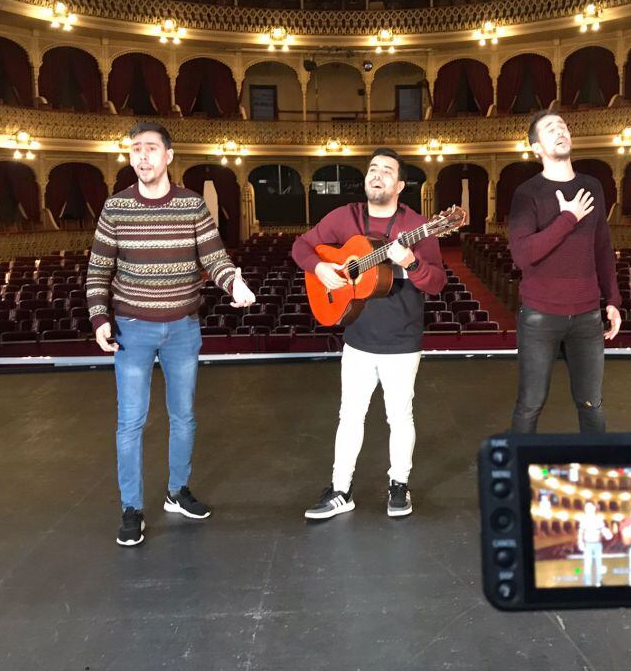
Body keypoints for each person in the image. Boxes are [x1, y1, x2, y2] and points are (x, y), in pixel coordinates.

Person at [87, 121, 256, 547]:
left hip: (183, 329)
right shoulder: (116, 208)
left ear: (168, 156)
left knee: (184, 417)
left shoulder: (192, 205)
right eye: (135, 150)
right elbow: (98, 271)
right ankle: (132, 509)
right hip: (133, 329)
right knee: (131, 422)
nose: (141, 157)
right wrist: (99, 318)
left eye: (150, 149)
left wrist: (234, 283)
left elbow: (215, 258)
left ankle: (177, 492)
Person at [292, 148, 447, 520]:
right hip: (357, 338)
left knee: (400, 417)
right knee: (350, 416)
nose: (377, 175)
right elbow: (301, 246)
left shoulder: (418, 225)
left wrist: (410, 262)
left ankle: (399, 485)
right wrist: (321, 268)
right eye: (372, 169)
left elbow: (437, 282)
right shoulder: (345, 217)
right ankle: (341, 490)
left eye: (386, 171)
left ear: (400, 184)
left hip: (401, 340)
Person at [507, 110, 621, 434]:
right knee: (530, 404)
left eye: (563, 126)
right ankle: (519, 474)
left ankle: (594, 475)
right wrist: (567, 218)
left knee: (592, 404)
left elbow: (602, 248)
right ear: (536, 148)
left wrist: (612, 299)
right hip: (539, 316)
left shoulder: (592, 187)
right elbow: (523, 255)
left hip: (587, 315)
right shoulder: (527, 194)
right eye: (549, 128)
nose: (560, 130)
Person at [576, 502, 613, 587]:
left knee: (598, 563)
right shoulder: (584, 519)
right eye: (587, 507)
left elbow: (603, 529)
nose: (589, 509)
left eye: (590, 507)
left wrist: (607, 534)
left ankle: (598, 582)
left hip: (597, 544)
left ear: (594, 508)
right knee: (587, 564)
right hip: (588, 545)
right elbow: (581, 532)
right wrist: (580, 542)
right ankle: (587, 584)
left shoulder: (598, 519)